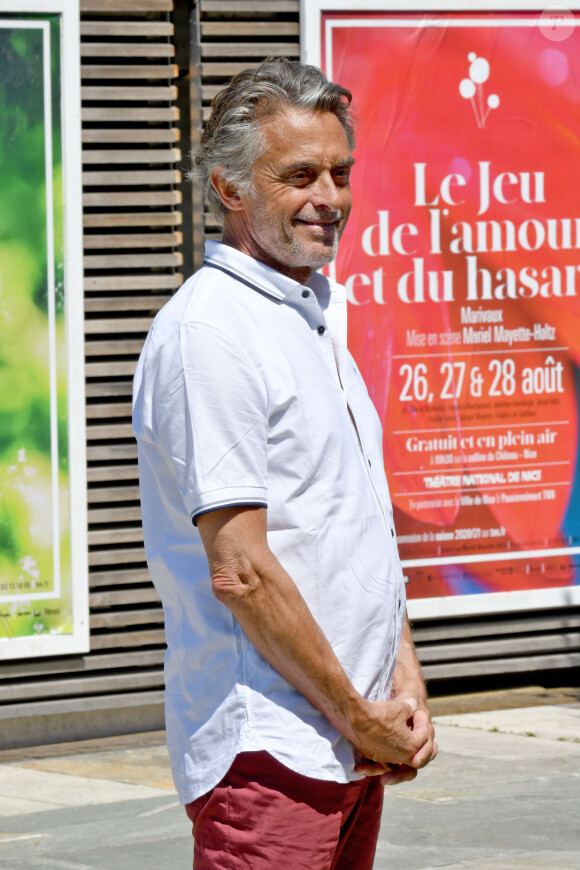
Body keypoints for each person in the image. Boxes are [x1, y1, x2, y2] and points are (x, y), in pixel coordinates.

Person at [132, 57, 437, 870]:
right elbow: (243, 571)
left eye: (341, 171)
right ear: (229, 187)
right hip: (268, 748)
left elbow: (355, 524)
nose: (330, 198)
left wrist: (400, 682)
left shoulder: (312, 313)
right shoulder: (213, 334)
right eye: (299, 175)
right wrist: (356, 714)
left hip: (347, 738)